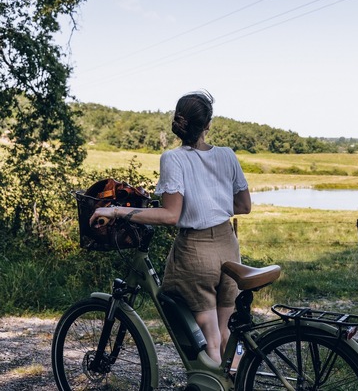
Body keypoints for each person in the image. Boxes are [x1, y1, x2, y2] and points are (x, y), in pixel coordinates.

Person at [90, 90, 251, 363]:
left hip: (197, 252)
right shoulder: (227, 155)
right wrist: (212, 205)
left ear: (179, 122)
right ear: (208, 124)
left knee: (210, 338)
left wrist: (116, 210)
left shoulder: (173, 158)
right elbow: (244, 205)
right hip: (228, 245)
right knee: (225, 333)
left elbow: (171, 216)